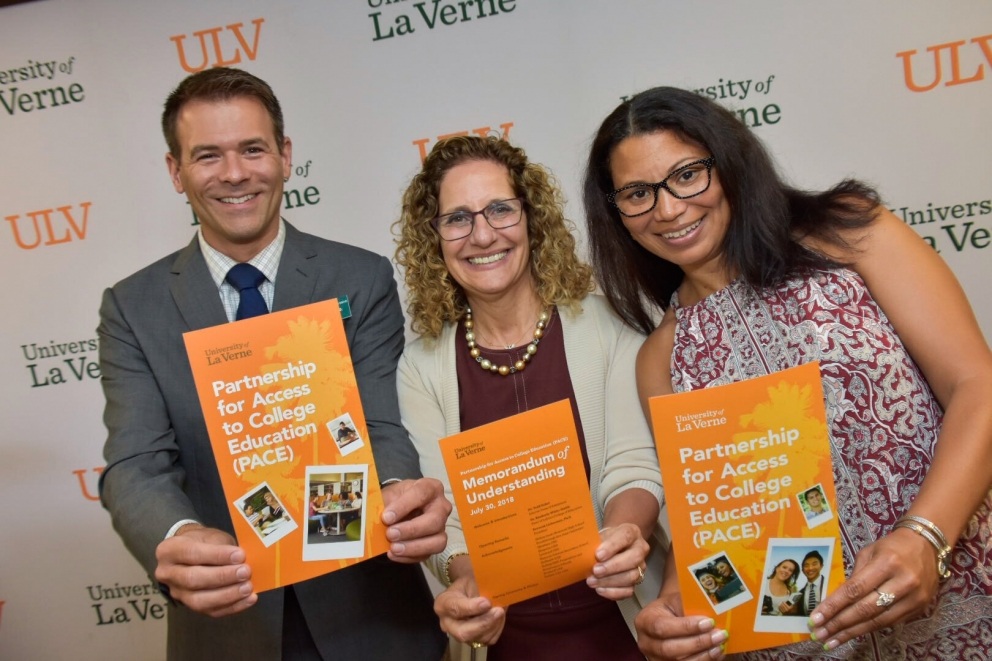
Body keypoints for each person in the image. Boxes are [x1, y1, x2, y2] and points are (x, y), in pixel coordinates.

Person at [583, 85, 992, 659]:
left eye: (686, 175)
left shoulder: (850, 235)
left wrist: (926, 535)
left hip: (960, 600)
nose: (669, 208)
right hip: (804, 644)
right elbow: (716, 522)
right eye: (637, 193)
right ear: (617, 212)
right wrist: (676, 607)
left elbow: (977, 386)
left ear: (727, 165)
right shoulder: (660, 358)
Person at [97, 67, 450, 661]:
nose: (234, 174)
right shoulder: (133, 307)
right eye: (207, 155)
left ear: (285, 156)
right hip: (229, 624)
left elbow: (380, 423)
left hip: (372, 615)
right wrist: (178, 537)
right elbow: (135, 464)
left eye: (252, 149)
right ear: (175, 172)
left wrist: (395, 491)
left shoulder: (358, 278)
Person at [394, 135, 666, 660]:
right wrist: (467, 581)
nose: (482, 234)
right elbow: (442, 516)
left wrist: (626, 532)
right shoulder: (421, 366)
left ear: (532, 217)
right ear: (434, 239)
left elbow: (633, 465)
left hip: (625, 627)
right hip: (507, 643)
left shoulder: (610, 324)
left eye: (500, 209)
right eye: (457, 219)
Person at [781, 552, 825, 618]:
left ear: (821, 566)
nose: (810, 568)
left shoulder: (830, 584)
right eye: (806, 565)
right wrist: (788, 613)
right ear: (803, 570)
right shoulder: (799, 594)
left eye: (814, 564)